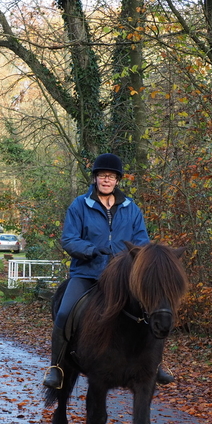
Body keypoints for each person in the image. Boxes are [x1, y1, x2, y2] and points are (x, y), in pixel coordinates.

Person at [43, 153, 174, 389]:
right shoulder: (79, 205)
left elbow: (142, 241)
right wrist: (92, 249)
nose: (107, 180)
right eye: (103, 175)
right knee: (64, 313)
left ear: (117, 180)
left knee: (153, 309)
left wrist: (130, 258)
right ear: (95, 178)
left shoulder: (131, 208)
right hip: (87, 274)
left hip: (123, 277)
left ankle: (155, 365)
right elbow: (69, 239)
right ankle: (57, 367)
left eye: (111, 176)